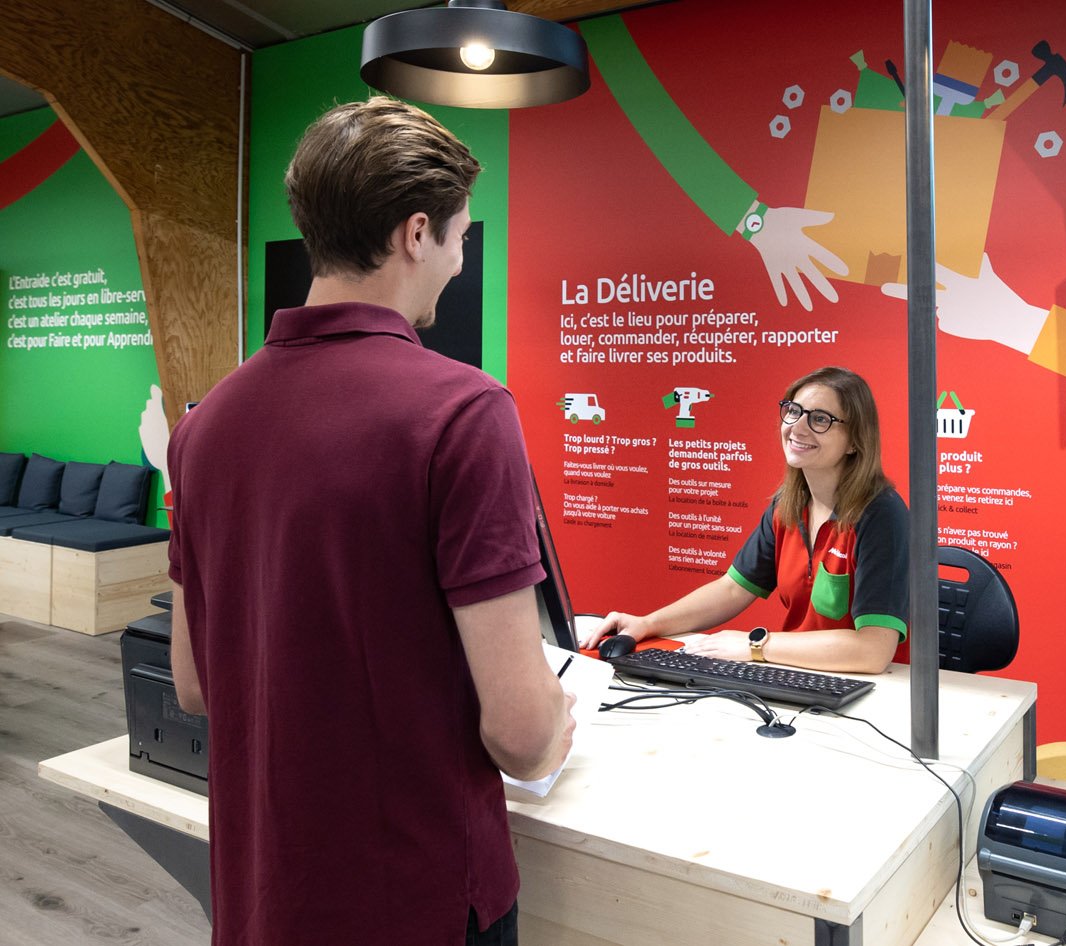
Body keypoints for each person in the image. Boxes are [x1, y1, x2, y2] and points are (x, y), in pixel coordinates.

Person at [166, 97, 574, 946]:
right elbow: (522, 736)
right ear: (416, 233)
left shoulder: (202, 427)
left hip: (264, 895)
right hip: (417, 900)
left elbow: (196, 685)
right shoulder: (465, 412)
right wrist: (555, 719)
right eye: (461, 237)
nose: (459, 262)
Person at [581, 365, 907, 674]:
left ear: (854, 441)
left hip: (878, 687)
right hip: (800, 674)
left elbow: (873, 650)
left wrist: (756, 644)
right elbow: (733, 589)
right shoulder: (788, 505)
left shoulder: (881, 514)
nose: (797, 427)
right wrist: (647, 624)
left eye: (820, 419)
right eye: (793, 411)